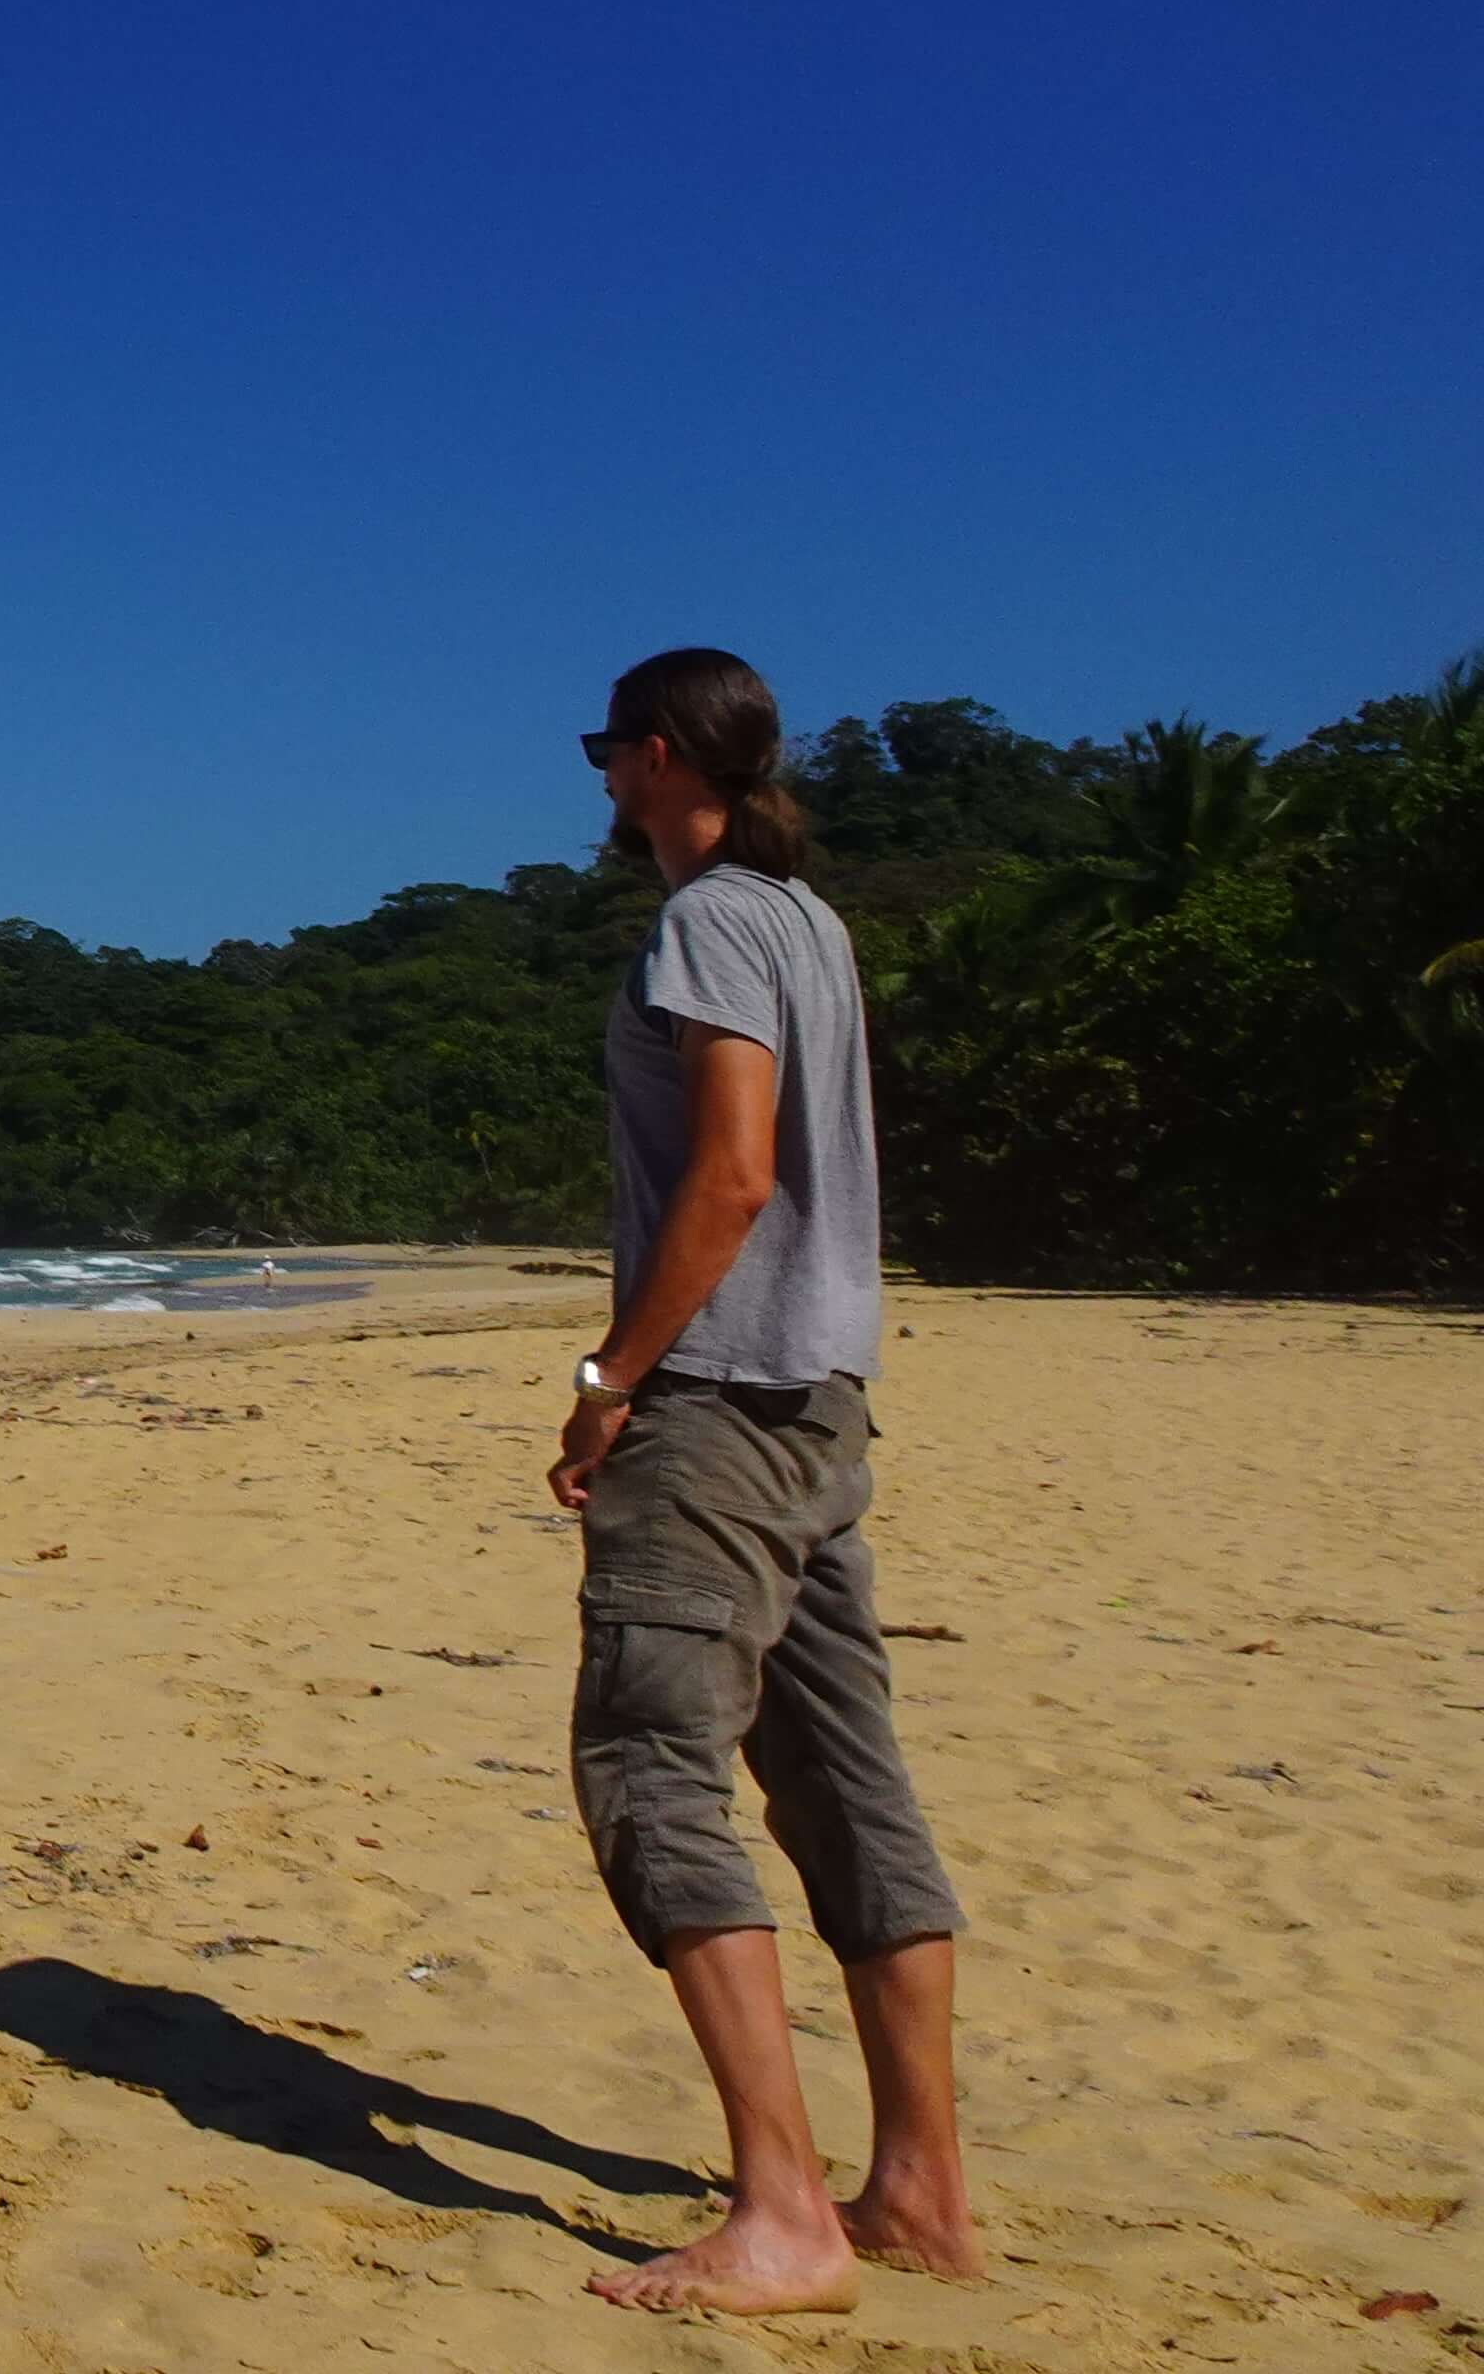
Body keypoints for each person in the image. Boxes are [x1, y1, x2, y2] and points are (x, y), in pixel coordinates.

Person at [549, 646, 983, 2314]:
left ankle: (788, 2213)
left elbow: (729, 1177)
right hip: (821, 1405)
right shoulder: (812, 923)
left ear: (659, 758)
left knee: (650, 1766)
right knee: (839, 1775)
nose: (598, 779)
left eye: (605, 750)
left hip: (723, 1403)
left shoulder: (717, 920)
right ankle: (923, 2190)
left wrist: (612, 1379)